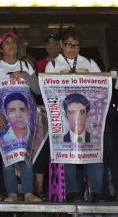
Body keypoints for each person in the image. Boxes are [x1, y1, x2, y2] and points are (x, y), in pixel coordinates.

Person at [44, 28, 106, 202]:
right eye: (69, 45)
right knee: (67, 151)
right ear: (62, 45)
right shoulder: (53, 65)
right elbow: (49, 90)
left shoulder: (89, 62)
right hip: (66, 117)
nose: (73, 49)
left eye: (76, 46)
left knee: (94, 150)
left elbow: (102, 86)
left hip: (89, 115)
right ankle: (73, 192)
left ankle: (97, 191)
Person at [0, 32, 40, 203]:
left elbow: (37, 90)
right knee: (8, 155)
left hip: (26, 119)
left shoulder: (25, 66)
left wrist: (25, 75)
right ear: (1, 48)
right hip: (5, 118)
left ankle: (28, 193)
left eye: (13, 42)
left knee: (25, 154)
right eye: (7, 42)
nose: (11, 45)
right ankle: (11, 192)